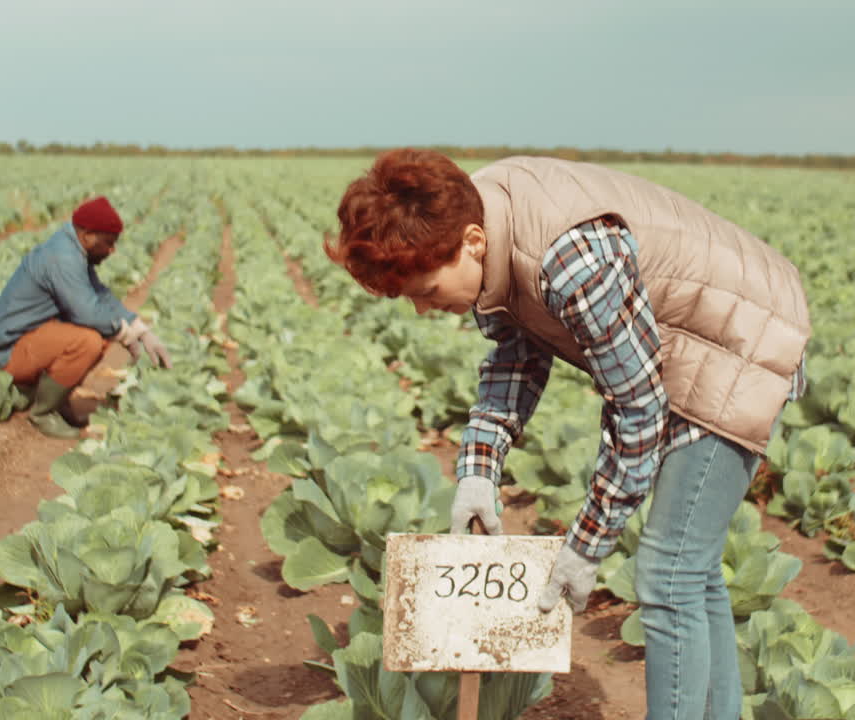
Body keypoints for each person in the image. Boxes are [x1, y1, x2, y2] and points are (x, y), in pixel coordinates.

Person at [326, 149, 809, 720]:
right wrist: (478, 473)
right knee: (691, 570)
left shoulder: (572, 260)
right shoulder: (480, 220)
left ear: (473, 241)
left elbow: (639, 408)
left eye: (426, 291)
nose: (423, 309)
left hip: (739, 342)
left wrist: (586, 546)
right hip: (682, 347)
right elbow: (516, 358)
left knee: (667, 571)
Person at [0, 196, 172, 438]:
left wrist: (140, 328)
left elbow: (101, 296)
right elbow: (87, 312)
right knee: (87, 342)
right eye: (109, 243)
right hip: (4, 353)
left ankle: (56, 400)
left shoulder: (73, 249)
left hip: (25, 338)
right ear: (88, 235)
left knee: (98, 337)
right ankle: (43, 413)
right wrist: (125, 334)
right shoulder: (63, 257)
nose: (112, 250)